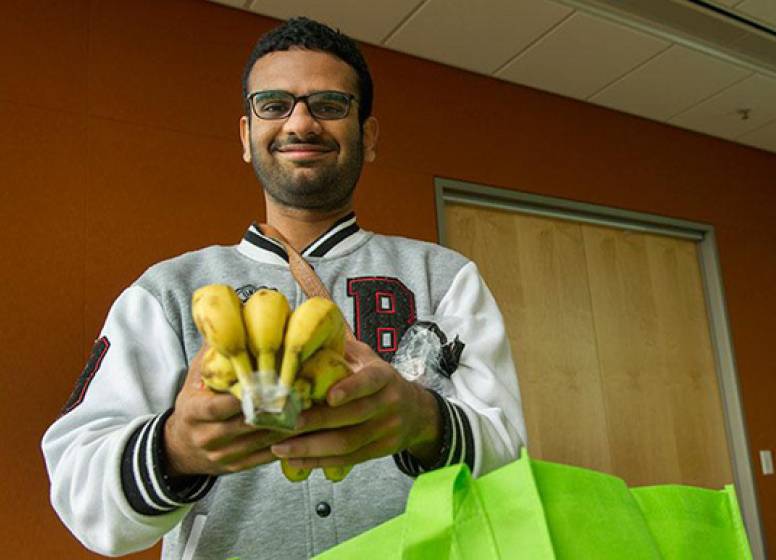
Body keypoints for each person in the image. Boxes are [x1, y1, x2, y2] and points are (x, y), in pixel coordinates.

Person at [42, 16, 526, 560]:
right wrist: (175, 449)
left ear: (366, 137)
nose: (301, 123)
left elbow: (510, 459)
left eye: (329, 105)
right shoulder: (169, 293)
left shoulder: (446, 277)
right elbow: (82, 497)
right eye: (273, 105)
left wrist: (421, 420)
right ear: (247, 136)